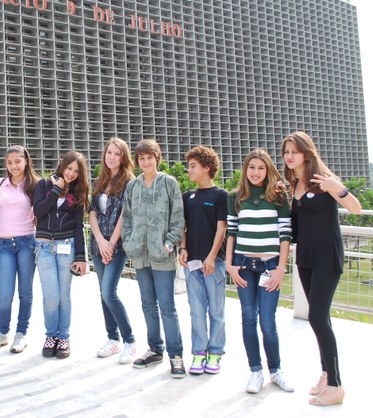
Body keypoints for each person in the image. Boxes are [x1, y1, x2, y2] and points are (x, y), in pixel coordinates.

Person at [282, 131, 362, 406]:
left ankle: (336, 387)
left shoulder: (324, 180)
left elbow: (356, 208)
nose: (290, 156)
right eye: (286, 152)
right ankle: (327, 374)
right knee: (321, 318)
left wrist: (337, 187)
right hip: (306, 257)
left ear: (307, 153)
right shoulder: (295, 185)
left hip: (327, 257)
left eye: (295, 151)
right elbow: (295, 227)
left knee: (316, 317)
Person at [225, 149, 294, 395]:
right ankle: (255, 371)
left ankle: (275, 370)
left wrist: (281, 269)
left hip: (269, 267)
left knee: (267, 321)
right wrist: (230, 265)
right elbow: (231, 232)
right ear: (246, 170)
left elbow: (285, 235)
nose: (255, 172)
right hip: (243, 266)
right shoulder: (235, 197)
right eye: (251, 167)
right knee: (248, 318)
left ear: (268, 170)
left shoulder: (278, 196)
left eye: (261, 168)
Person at [122, 139, 186, 379]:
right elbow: (126, 218)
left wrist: (169, 243)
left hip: (163, 255)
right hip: (140, 254)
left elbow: (178, 218)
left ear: (157, 158)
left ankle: (176, 355)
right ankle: (155, 349)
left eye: (150, 157)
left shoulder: (169, 183)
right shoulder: (132, 186)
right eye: (141, 158)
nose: (146, 162)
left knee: (167, 306)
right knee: (148, 304)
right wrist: (128, 243)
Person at [33, 150, 89, 359]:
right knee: (51, 297)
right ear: (62, 165)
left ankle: (63, 337)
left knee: (64, 296)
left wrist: (81, 257)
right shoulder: (44, 185)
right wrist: (57, 189)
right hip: (44, 248)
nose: (71, 173)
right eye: (69, 168)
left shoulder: (78, 193)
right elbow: (38, 211)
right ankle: (51, 336)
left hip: (67, 246)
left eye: (76, 171)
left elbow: (78, 226)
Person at [179, 146, 228, 375]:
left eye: (193, 166)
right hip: (192, 263)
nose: (188, 170)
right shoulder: (187, 197)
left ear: (207, 168)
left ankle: (215, 352)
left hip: (214, 264)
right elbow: (184, 227)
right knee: (196, 310)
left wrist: (211, 257)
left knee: (216, 311)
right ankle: (199, 352)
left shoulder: (220, 195)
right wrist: (183, 248)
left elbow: (222, 229)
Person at [0, 145, 39, 354]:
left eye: (17, 161)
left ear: (25, 161)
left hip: (27, 242)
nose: (13, 166)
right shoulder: (0, 184)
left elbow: (41, 209)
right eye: (9, 162)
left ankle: (21, 334)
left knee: (25, 291)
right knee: (5, 292)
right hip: (5, 244)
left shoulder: (35, 184)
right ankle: (2, 333)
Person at [89, 138, 137, 364]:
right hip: (97, 245)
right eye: (109, 152)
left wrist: (110, 242)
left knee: (109, 292)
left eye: (117, 154)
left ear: (123, 157)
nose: (112, 157)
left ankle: (130, 341)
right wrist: (100, 240)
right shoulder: (100, 181)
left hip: (116, 247)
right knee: (103, 293)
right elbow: (92, 212)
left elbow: (125, 215)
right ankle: (112, 339)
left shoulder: (129, 182)